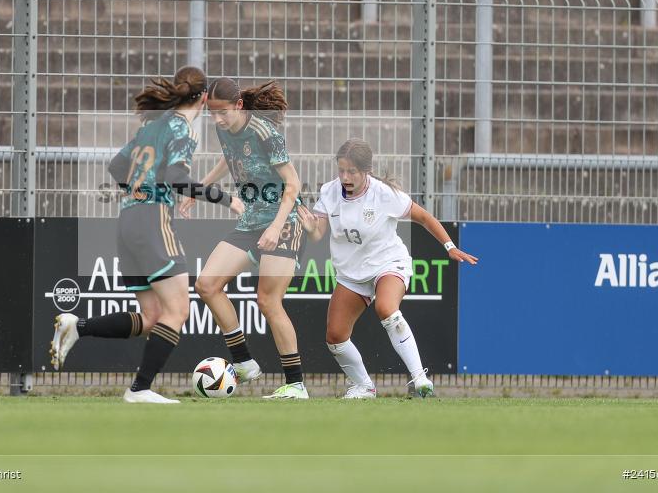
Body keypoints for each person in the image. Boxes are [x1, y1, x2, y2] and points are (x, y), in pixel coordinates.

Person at [49, 66, 243, 404]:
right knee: (179, 310)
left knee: (153, 316)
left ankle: (76, 327)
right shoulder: (182, 129)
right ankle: (139, 389)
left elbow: (116, 167)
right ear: (203, 98)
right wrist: (228, 200)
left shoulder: (152, 126)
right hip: (153, 219)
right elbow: (176, 179)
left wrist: (136, 192)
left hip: (127, 219)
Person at [298, 139, 478, 399]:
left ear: (366, 171)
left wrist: (449, 246)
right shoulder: (329, 192)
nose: (345, 177)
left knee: (386, 308)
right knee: (335, 336)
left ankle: (420, 379)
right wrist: (311, 227)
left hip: (388, 263)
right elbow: (318, 235)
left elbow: (425, 217)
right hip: (351, 274)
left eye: (352, 172)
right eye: (341, 170)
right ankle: (364, 386)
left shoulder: (384, 194)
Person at [182, 77, 309, 399]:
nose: (217, 120)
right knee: (206, 285)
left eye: (222, 112)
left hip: (284, 222)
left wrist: (276, 227)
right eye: (212, 114)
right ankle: (244, 363)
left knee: (267, 301)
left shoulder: (266, 133)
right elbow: (229, 159)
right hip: (251, 222)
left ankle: (296, 384)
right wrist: (199, 190)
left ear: (239, 105)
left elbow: (293, 185)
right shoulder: (224, 129)